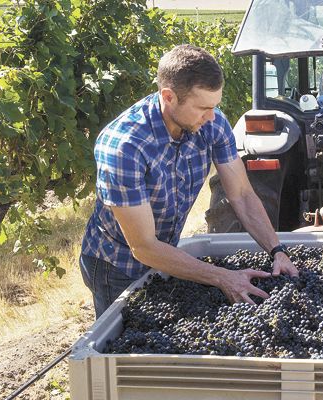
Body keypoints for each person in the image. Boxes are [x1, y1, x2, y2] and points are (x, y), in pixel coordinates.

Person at [80, 44, 298, 319]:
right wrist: (222, 277)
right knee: (131, 345)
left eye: (215, 106)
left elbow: (241, 194)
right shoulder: (126, 147)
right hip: (117, 263)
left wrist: (276, 250)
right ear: (169, 97)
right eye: (203, 108)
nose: (211, 116)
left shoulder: (212, 122)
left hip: (167, 252)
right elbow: (144, 246)